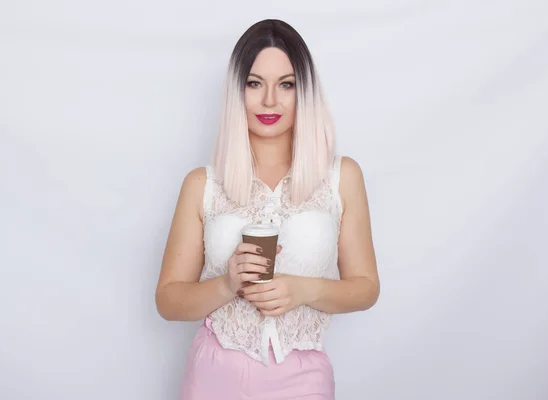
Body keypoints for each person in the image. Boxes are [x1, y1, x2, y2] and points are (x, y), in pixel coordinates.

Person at [155, 19, 380, 400]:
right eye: (254, 83)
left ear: (304, 91)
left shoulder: (341, 177)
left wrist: (304, 290)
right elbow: (168, 300)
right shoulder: (202, 184)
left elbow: (366, 288)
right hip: (213, 376)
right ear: (237, 92)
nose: (270, 101)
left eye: (286, 84)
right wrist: (227, 284)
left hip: (303, 378)